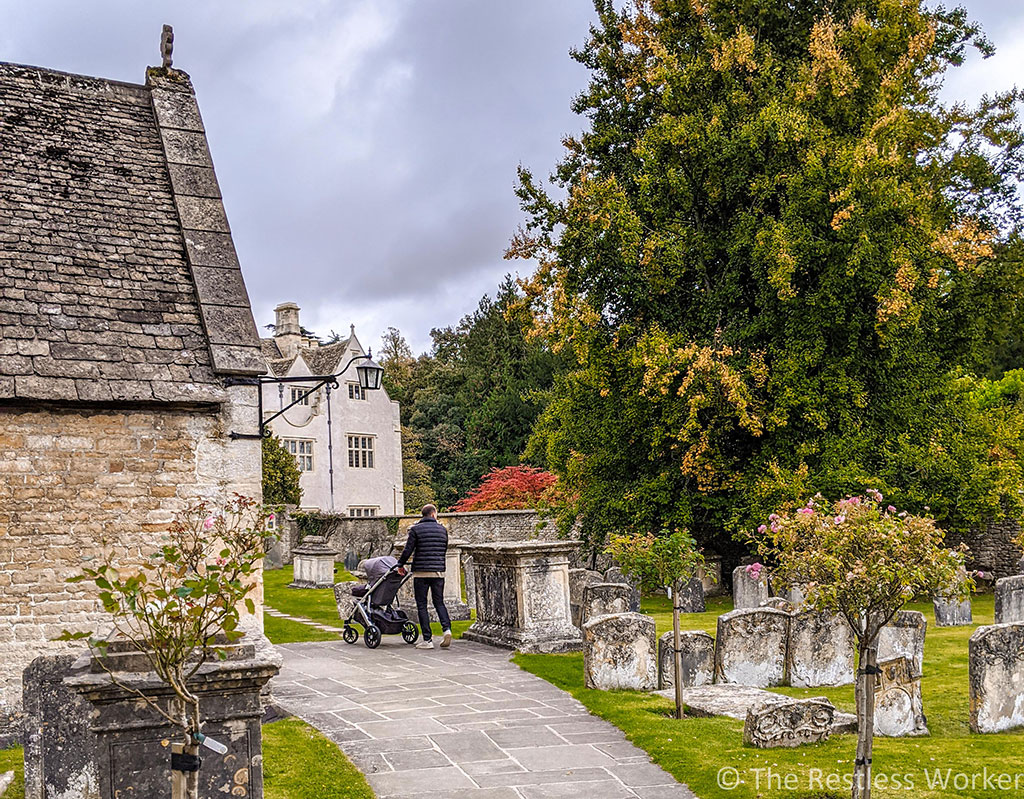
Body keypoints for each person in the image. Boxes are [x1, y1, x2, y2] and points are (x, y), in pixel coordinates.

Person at [396, 504, 452, 649]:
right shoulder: (442, 530)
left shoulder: (415, 529)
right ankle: (447, 629)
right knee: (439, 602)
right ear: (433, 514)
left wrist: (400, 564)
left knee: (422, 605)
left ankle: (427, 639)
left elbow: (408, 549)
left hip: (421, 571)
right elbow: (443, 549)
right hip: (438, 571)